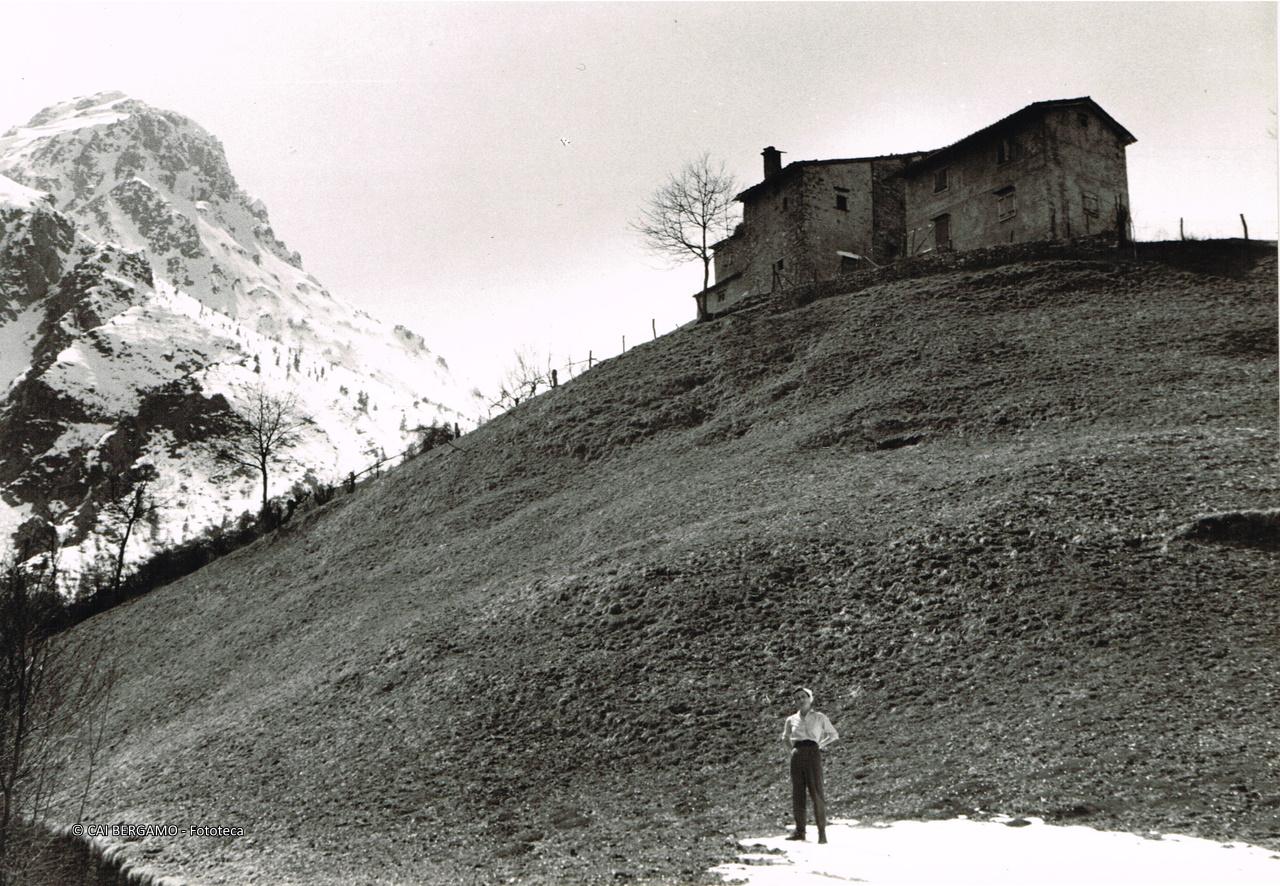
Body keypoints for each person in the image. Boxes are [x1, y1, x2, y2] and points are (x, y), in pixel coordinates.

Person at [781, 686, 839, 843]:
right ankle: (800, 831)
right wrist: (791, 751)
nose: (800, 700)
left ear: (810, 698)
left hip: (813, 753)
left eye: (803, 697)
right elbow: (785, 738)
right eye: (797, 698)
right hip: (797, 754)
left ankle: (822, 833)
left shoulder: (819, 717)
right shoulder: (791, 719)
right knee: (797, 793)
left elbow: (834, 735)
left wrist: (819, 745)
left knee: (816, 792)